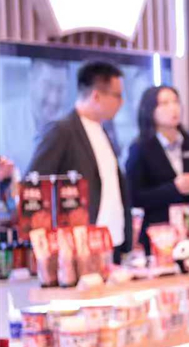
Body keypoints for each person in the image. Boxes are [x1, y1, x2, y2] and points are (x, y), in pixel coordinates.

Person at [28, 61, 132, 259]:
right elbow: (34, 184)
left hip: (112, 242)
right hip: (79, 248)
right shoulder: (61, 131)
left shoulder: (103, 131)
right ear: (96, 96)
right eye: (117, 96)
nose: (121, 103)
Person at [124, 86, 189, 251]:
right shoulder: (141, 148)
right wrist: (173, 188)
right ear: (150, 110)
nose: (173, 108)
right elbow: (134, 196)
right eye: (164, 103)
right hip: (160, 237)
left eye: (176, 102)